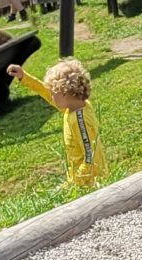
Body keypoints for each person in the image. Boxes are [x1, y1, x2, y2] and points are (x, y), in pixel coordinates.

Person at [9, 55, 106, 192]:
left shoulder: (80, 120)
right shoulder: (75, 106)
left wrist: (73, 185)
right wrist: (24, 77)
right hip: (82, 182)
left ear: (65, 93)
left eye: (54, 93)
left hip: (89, 186)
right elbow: (46, 93)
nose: (51, 97)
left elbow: (91, 156)